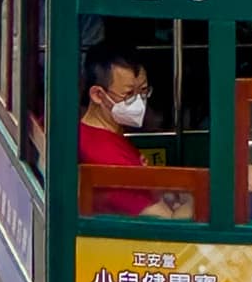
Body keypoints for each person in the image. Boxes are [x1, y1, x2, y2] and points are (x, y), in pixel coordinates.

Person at [78, 51, 192, 220]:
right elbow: (165, 223)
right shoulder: (109, 162)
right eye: (129, 94)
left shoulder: (88, 131)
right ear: (98, 95)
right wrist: (196, 202)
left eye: (144, 91)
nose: (139, 103)